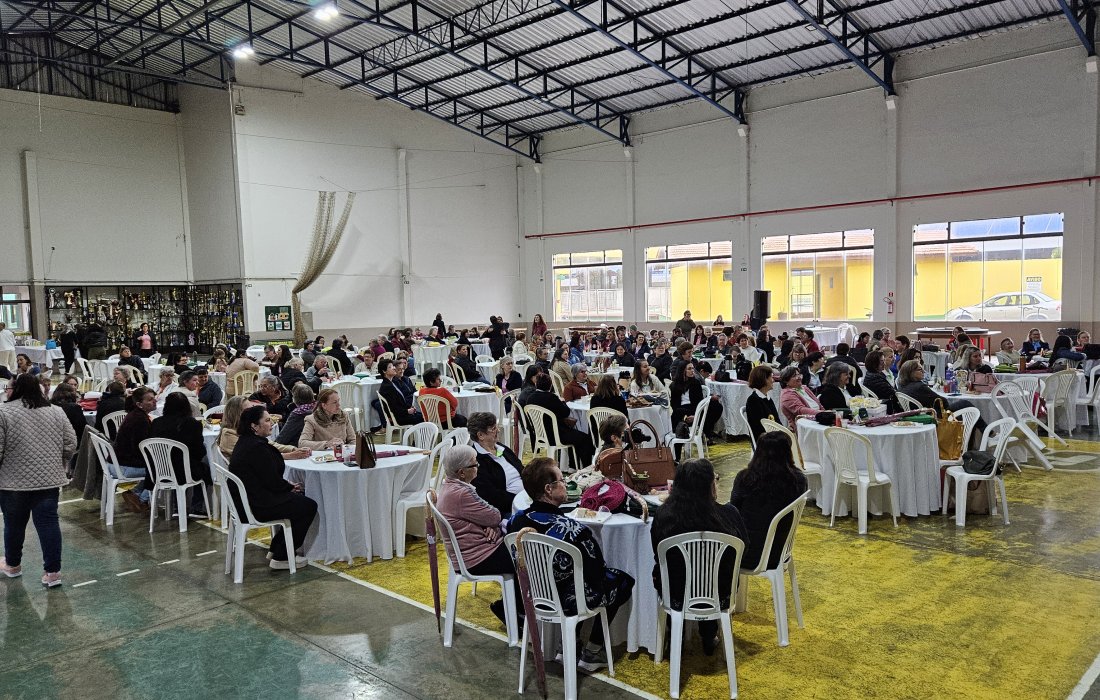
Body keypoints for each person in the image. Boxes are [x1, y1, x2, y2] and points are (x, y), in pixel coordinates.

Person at [508, 457, 634, 672]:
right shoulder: (574, 529)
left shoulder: (515, 522)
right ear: (549, 489)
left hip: (534, 593)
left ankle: (567, 646)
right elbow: (597, 569)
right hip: (568, 598)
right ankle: (592, 651)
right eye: (562, 480)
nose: (566, 483)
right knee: (623, 580)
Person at [650, 457, 747, 655]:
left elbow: (656, 553)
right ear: (711, 484)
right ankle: (709, 635)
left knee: (670, 571)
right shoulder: (729, 514)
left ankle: (673, 632)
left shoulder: (663, 515)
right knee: (711, 573)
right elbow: (744, 549)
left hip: (676, 593)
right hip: (720, 592)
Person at [0, 374, 78, 586]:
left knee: (14, 524)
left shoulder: (3, 412)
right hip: (49, 480)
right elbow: (71, 443)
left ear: (15, 389)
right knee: (49, 523)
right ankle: (53, 573)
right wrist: (58, 462)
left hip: (12, 481)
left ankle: (13, 565)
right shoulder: (56, 411)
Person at [436, 444, 517, 625]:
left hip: (472, 550)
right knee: (528, 558)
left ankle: (512, 607)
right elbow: (495, 515)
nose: (478, 467)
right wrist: (492, 524)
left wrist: (491, 526)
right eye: (474, 465)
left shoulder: (451, 487)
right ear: (462, 472)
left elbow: (489, 518)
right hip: (477, 557)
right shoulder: (461, 494)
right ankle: (511, 609)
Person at [228, 406, 317, 570]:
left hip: (248, 500)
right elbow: (272, 481)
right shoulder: (256, 448)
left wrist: (287, 487)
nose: (272, 424)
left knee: (299, 500)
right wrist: (288, 487)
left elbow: (266, 477)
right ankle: (282, 556)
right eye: (267, 420)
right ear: (254, 426)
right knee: (308, 506)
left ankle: (277, 547)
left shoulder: (248, 442)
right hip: (257, 505)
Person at [729, 432, 807, 571]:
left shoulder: (745, 478)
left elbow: (733, 512)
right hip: (780, 549)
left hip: (747, 554)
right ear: (788, 452)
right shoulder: (798, 481)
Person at [149, 393, 212, 517]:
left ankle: (175, 507)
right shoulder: (192, 424)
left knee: (178, 462)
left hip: (159, 470)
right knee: (204, 465)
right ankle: (197, 506)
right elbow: (199, 451)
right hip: (184, 471)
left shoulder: (156, 423)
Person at [524, 374, 595, 466]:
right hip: (555, 435)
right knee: (585, 438)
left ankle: (572, 465)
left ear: (536, 384)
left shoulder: (530, 398)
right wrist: (562, 401)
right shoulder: (551, 397)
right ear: (550, 386)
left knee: (574, 433)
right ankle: (586, 467)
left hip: (540, 434)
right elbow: (566, 412)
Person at [466, 412, 525, 518]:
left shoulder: (501, 448)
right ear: (481, 435)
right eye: (493, 429)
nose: (498, 430)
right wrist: (523, 498)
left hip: (527, 497)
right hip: (509, 509)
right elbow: (492, 497)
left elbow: (521, 469)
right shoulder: (476, 461)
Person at [113, 387, 158, 511]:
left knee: (155, 466)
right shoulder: (140, 420)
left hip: (116, 462)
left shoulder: (135, 415)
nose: (154, 401)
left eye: (154, 398)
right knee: (160, 469)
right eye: (150, 400)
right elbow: (140, 449)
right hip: (124, 466)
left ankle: (134, 492)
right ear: (139, 404)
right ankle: (140, 498)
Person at [669, 361, 724, 442]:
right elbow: (674, 405)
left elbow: (699, 402)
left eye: (692, 368)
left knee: (716, 406)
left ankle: (706, 430)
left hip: (694, 408)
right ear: (682, 371)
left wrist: (695, 415)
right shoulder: (674, 385)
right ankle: (706, 431)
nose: (692, 371)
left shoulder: (695, 383)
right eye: (689, 369)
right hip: (680, 410)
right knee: (677, 412)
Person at [377, 358, 423, 426]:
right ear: (384, 371)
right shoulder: (387, 387)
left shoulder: (390, 384)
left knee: (424, 414)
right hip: (399, 417)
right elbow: (394, 408)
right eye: (390, 367)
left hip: (402, 413)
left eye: (393, 366)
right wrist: (407, 411)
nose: (394, 368)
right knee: (425, 416)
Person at [745, 365, 780, 443]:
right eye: (771, 377)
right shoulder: (753, 400)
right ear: (764, 379)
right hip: (764, 441)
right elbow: (759, 427)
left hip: (772, 435)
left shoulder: (768, 398)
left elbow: (777, 420)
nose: (773, 380)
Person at [49, 383, 86, 456]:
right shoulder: (74, 408)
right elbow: (83, 428)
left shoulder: (49, 406)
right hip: (70, 442)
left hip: (52, 442)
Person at [275, 384, 316, 448]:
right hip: (317, 446)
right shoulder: (319, 408)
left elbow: (282, 438)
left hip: (299, 448)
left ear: (294, 398)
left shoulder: (298, 414)